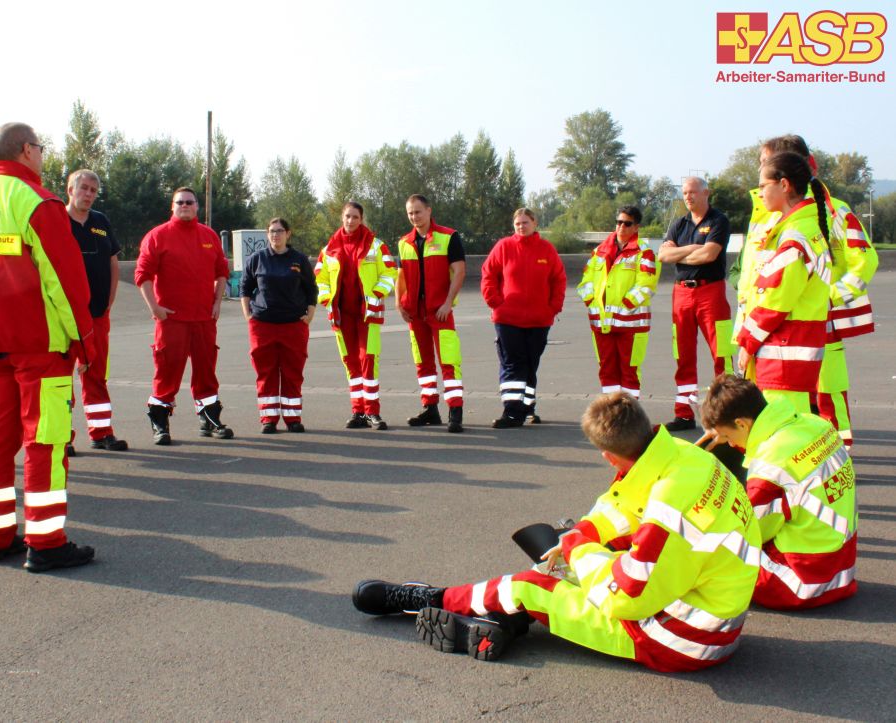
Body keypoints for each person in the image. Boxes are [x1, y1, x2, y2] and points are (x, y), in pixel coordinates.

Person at [353, 392, 761, 672]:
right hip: (709, 607)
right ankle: (502, 619)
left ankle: (429, 597)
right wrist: (581, 534)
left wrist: (580, 552)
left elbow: (626, 600)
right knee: (562, 562)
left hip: (682, 639)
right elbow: (622, 506)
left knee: (534, 585)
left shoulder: (666, 510)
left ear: (607, 455)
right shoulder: (683, 457)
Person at [0, 122, 98, 572]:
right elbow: (65, 279)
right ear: (26, 151)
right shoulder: (37, 202)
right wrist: (84, 340)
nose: (42, 154)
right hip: (41, 346)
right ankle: (45, 539)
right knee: (47, 441)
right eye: (40, 146)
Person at [744, 135, 877, 450]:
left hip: (818, 321)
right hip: (772, 326)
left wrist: (830, 296)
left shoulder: (836, 211)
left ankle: (837, 464)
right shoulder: (765, 213)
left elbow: (866, 260)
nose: (761, 172)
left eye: (766, 164)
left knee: (828, 394)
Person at [699, 375, 856, 609]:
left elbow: (751, 533)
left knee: (709, 553)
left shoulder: (770, 467)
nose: (729, 444)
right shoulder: (815, 424)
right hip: (840, 566)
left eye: (728, 436)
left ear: (742, 423)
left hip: (800, 581)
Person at [135, 187, 233, 444]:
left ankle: (209, 417)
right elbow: (142, 275)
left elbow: (222, 271)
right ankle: (160, 422)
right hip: (171, 320)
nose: (185, 206)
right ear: (172, 206)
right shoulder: (157, 237)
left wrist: (217, 302)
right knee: (167, 372)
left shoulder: (209, 235)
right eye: (180, 202)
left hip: (203, 319)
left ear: (197, 206)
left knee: (206, 371)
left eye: (190, 202)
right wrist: (154, 308)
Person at [736, 151, 832, 411]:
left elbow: (775, 300)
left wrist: (748, 342)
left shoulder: (795, 236)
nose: (760, 193)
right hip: (792, 352)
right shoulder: (805, 229)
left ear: (784, 185)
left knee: (781, 437)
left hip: (782, 354)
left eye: (763, 186)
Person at [658, 177, 734, 431]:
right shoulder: (679, 224)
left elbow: (710, 254)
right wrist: (692, 248)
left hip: (710, 292)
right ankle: (684, 413)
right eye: (685, 193)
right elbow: (663, 255)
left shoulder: (718, 220)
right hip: (681, 294)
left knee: (721, 353)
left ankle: (727, 410)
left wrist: (681, 253)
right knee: (683, 354)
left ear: (706, 193)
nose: (688, 197)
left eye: (693, 192)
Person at [314, 202, 397, 430]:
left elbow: (390, 271)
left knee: (368, 361)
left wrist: (378, 292)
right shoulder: (329, 249)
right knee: (351, 364)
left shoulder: (376, 246)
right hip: (342, 316)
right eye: (347, 217)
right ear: (342, 218)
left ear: (362, 219)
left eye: (355, 217)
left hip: (367, 315)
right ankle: (358, 411)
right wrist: (325, 298)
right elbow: (319, 276)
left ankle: (373, 412)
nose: (351, 221)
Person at [481, 208, 566, 428]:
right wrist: (495, 302)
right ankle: (511, 412)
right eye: (517, 223)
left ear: (534, 223)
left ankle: (528, 406)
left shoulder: (546, 250)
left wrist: (553, 307)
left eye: (525, 222)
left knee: (530, 365)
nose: (521, 226)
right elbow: (488, 274)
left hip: (539, 320)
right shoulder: (503, 247)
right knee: (513, 364)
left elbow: (559, 279)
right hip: (508, 318)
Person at [65, 169, 127, 453]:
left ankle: (101, 432)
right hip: (64, 317)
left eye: (93, 190)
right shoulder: (56, 220)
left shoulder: (101, 221)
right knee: (60, 378)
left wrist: (109, 302)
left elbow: (113, 263)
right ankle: (61, 436)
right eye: (84, 188)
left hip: (97, 315)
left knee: (96, 374)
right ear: (70, 189)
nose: (88, 194)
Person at [239, 217, 317, 433]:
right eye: (272, 231)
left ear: (288, 234)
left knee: (293, 372)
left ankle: (293, 418)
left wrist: (309, 316)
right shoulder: (257, 259)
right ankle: (268, 417)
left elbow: (312, 290)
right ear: (267, 234)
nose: (276, 235)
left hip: (293, 325)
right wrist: (248, 315)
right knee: (266, 372)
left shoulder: (299, 259)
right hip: (263, 325)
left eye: (280, 231)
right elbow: (245, 289)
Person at [397, 194, 466, 433]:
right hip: (415, 315)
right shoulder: (404, 242)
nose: (414, 217)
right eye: (410, 213)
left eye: (418, 211)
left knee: (449, 361)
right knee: (423, 364)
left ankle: (455, 411)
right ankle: (430, 409)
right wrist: (399, 303)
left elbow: (459, 272)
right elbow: (402, 276)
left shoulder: (449, 237)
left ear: (428, 210)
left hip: (440, 312)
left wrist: (448, 303)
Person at [577, 206, 659, 400]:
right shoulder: (599, 251)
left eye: (627, 223)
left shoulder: (644, 252)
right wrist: (591, 301)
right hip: (601, 323)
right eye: (619, 222)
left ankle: (630, 416)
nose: (621, 227)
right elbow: (585, 281)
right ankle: (611, 413)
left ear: (636, 227)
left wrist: (625, 306)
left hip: (630, 325)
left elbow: (646, 285)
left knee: (629, 371)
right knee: (607, 370)